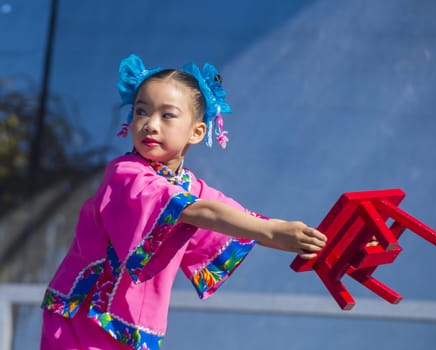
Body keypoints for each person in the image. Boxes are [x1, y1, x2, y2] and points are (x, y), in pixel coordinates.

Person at [40, 54, 327, 350]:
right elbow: (197, 211)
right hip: (80, 318)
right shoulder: (125, 174)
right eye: (141, 112)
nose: (150, 125)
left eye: (167, 115)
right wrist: (270, 232)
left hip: (128, 330)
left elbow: (241, 223)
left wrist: (306, 240)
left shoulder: (190, 187)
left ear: (197, 131)